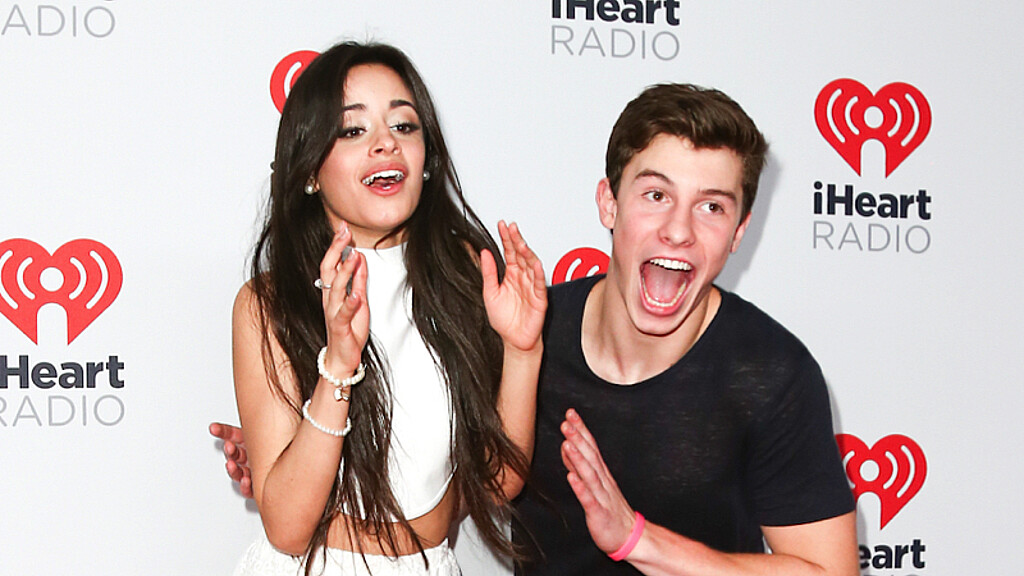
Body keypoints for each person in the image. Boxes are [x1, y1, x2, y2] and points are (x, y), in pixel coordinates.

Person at [222, 40, 546, 576]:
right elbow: (288, 527)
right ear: (310, 169)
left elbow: (495, 482)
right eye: (353, 130)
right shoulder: (269, 303)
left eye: (403, 126)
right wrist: (338, 366)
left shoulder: (466, 279)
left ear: (426, 159)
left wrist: (522, 350)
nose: (386, 144)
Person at [512, 83, 858, 575]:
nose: (678, 231)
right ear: (609, 202)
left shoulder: (772, 372)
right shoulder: (528, 332)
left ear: (739, 232)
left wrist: (637, 540)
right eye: (656, 195)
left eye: (711, 207)